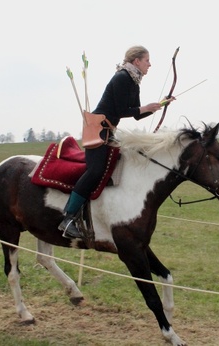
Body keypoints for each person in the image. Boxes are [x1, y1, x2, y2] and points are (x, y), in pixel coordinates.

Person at [59, 45, 174, 239]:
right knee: (95, 171)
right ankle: (68, 217)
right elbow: (122, 110)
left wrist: (159, 105)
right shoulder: (122, 78)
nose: (150, 64)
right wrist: (145, 107)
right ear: (136, 61)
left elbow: (135, 113)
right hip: (97, 130)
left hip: (108, 131)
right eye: (147, 60)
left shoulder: (134, 81)